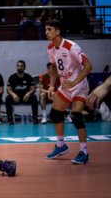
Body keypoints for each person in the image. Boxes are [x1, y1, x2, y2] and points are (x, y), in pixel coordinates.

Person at [45, 19, 93, 164]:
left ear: (57, 32)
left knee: (76, 116)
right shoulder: (50, 47)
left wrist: (74, 82)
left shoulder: (71, 46)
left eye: (49, 30)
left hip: (79, 85)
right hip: (65, 86)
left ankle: (83, 152)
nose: (46, 32)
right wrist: (52, 85)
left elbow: (88, 66)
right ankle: (61, 145)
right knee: (55, 114)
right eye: (46, 29)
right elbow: (53, 66)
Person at [6, 60, 38, 124]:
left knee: (34, 97)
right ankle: (10, 119)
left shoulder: (28, 77)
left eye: (21, 66)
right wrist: (13, 95)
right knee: (8, 98)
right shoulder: (12, 77)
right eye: (18, 66)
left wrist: (28, 93)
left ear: (24, 67)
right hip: (16, 98)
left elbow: (33, 89)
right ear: (16, 67)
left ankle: (35, 118)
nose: (20, 67)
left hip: (26, 98)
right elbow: (8, 89)